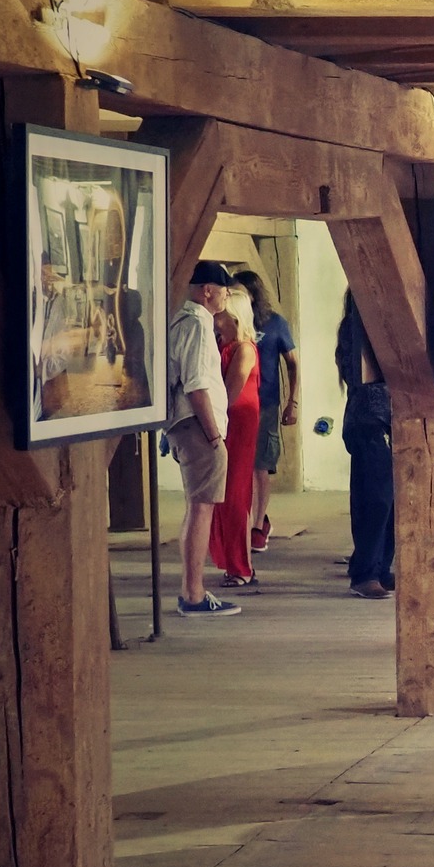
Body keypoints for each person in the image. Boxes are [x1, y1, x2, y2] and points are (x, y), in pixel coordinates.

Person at [166, 261, 241, 617]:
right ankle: (193, 594)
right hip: (199, 426)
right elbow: (196, 386)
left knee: (197, 506)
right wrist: (214, 436)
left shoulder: (184, 321)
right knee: (201, 508)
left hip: (187, 425)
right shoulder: (196, 324)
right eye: (223, 288)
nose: (227, 294)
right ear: (207, 290)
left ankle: (192, 591)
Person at [232, 270, 299, 555]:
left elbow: (293, 363)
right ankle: (244, 522)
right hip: (235, 404)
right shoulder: (229, 323)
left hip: (265, 404)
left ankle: (258, 525)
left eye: (238, 292)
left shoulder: (275, 323)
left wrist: (292, 402)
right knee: (240, 467)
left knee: (260, 465)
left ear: (252, 295)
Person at [337, 292, 397, 601]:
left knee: (390, 501)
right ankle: (365, 573)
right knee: (375, 500)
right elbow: (363, 375)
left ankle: (380, 567)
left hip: (387, 420)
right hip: (368, 421)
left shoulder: (378, 325)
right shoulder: (356, 327)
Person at [208, 289, 262, 588]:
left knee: (235, 494)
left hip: (237, 423)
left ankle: (242, 567)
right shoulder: (223, 345)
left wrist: (210, 420)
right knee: (225, 493)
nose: (217, 321)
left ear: (235, 319)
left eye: (222, 316)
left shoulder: (244, 349)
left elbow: (231, 392)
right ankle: (235, 564)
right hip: (229, 421)